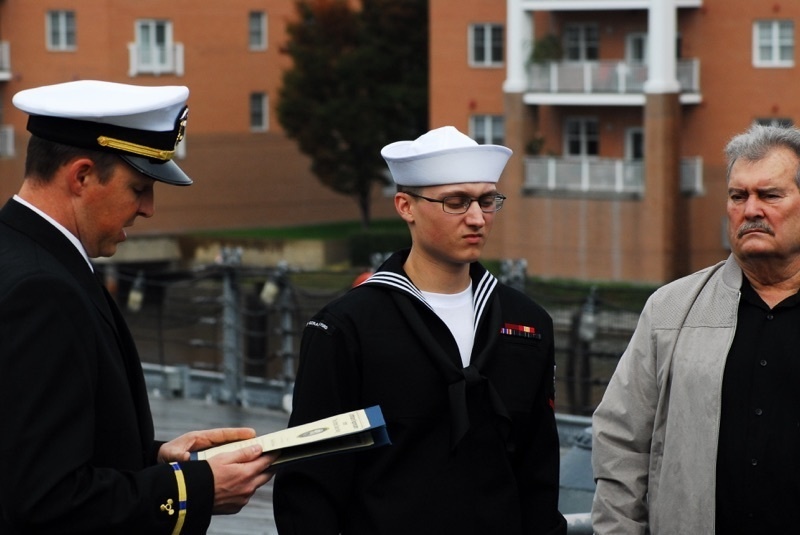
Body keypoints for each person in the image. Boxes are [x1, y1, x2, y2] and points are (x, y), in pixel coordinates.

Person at [0, 80, 276, 534]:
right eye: (139, 187)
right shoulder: (43, 291)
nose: (148, 209)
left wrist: (154, 459)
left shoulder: (27, 258)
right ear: (82, 176)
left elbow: (23, 449)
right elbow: (44, 500)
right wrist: (194, 490)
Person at [273, 126, 567, 534]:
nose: (477, 218)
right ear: (405, 206)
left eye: (487, 200)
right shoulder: (346, 328)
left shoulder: (528, 324)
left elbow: (539, 470)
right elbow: (310, 483)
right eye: (456, 202)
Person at [591, 123, 800, 534]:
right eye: (738, 196)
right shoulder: (669, 311)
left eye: (770, 195)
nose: (751, 210)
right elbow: (621, 441)